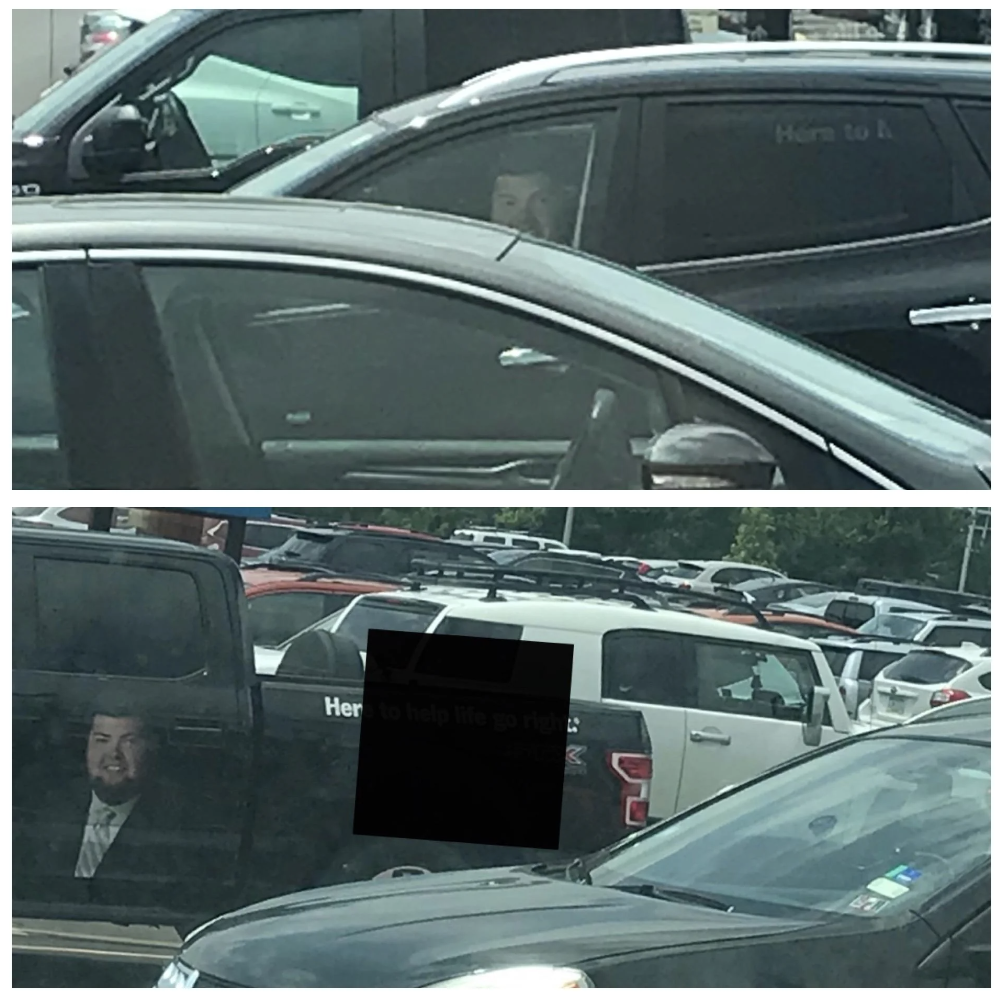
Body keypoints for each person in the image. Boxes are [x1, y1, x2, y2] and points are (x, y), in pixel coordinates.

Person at [17, 697, 188, 902]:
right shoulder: (42, 806)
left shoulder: (178, 824)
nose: (113, 753)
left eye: (129, 741)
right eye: (102, 739)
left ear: (150, 749)